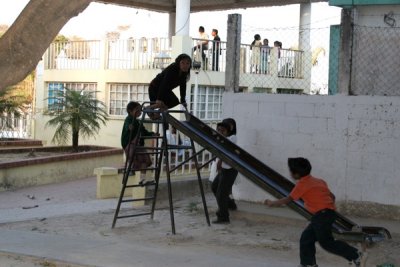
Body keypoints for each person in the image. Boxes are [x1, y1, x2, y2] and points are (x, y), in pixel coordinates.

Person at [264, 158, 367, 267]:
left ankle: (356, 255)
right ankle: (308, 264)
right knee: (306, 239)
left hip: (321, 216)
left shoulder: (302, 184)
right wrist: (327, 206)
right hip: (327, 214)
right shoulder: (319, 181)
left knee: (327, 243)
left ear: (296, 174)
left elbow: (288, 199)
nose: (290, 173)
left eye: (291, 171)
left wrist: (272, 203)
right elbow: (332, 196)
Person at [121, 101, 156, 185]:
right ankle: (131, 168)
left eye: (140, 110)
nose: (139, 112)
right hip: (130, 144)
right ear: (130, 111)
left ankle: (142, 179)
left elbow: (144, 132)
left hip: (139, 144)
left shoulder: (138, 122)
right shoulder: (129, 119)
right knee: (134, 157)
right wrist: (130, 127)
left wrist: (152, 134)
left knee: (145, 161)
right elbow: (127, 126)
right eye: (137, 110)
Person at [148, 54, 191, 118]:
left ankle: (157, 113)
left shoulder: (184, 74)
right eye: (183, 63)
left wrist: (183, 101)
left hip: (165, 90)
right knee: (161, 103)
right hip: (155, 87)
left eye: (188, 63)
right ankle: (149, 108)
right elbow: (164, 83)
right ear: (178, 63)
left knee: (174, 102)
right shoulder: (172, 69)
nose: (185, 65)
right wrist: (159, 99)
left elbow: (183, 87)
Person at [212, 121, 238, 224]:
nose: (220, 132)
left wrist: (220, 161)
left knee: (221, 194)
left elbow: (226, 149)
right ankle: (230, 204)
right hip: (224, 169)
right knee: (215, 187)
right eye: (218, 130)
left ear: (228, 131)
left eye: (223, 130)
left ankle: (223, 217)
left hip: (230, 170)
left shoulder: (232, 138)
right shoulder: (221, 139)